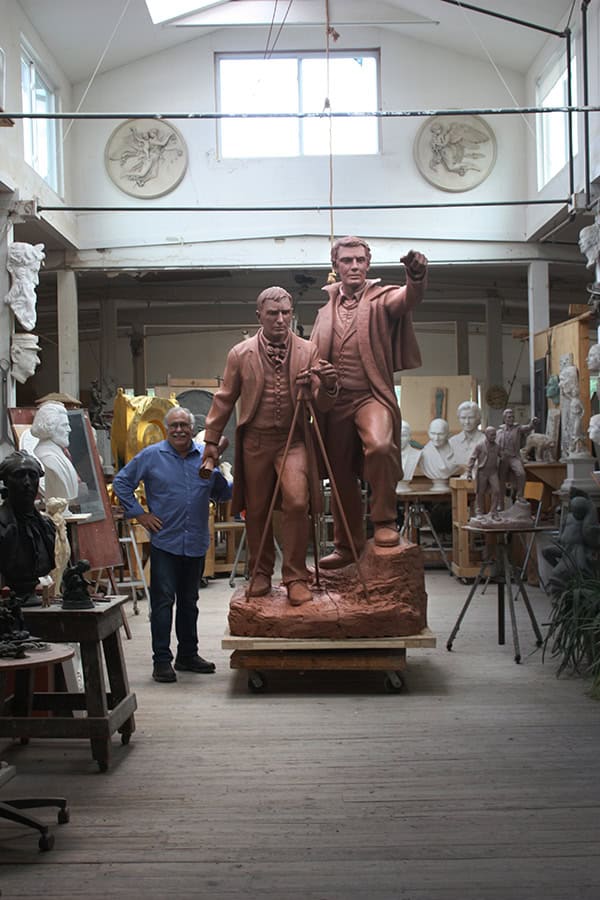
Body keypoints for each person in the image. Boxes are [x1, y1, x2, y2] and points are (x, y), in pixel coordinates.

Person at [200, 286, 338, 605]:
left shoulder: (308, 350)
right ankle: (260, 571)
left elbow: (324, 405)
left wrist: (328, 386)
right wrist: (210, 441)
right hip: (256, 442)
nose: (280, 319)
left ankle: (295, 576)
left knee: (297, 501)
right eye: (273, 313)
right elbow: (223, 400)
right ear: (259, 315)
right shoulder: (240, 354)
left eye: (286, 313)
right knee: (257, 508)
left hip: (294, 441)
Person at [310, 236, 428, 567]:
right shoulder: (325, 310)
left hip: (369, 396)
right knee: (340, 472)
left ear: (368, 264)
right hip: (333, 402)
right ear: (335, 266)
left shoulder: (380, 298)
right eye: (347, 260)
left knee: (379, 447)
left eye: (361, 260)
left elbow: (407, 300)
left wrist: (415, 277)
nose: (355, 266)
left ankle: (385, 521)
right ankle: (346, 545)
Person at [113, 406, 232, 683]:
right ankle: (162, 661)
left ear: (192, 428)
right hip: (165, 542)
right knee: (163, 603)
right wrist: (140, 514)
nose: (179, 430)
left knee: (189, 603)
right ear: (167, 429)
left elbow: (223, 495)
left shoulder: (204, 456)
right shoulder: (152, 456)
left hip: (195, 542)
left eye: (184, 425)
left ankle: (188, 655)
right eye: (174, 425)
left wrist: (219, 469)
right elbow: (121, 482)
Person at [0, 451, 55, 609]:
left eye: (32, 475)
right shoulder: (2, 525)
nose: (27, 482)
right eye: (19, 475)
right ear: (5, 481)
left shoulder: (48, 527)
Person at [30, 401, 79, 503]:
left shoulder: (58, 455)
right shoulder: (46, 457)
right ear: (50, 428)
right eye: (64, 425)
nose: (69, 429)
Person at [496, 407, 538, 500]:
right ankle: (500, 500)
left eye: (512, 417)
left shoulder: (518, 428)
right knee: (501, 478)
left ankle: (520, 496)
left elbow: (528, 428)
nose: (511, 419)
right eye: (509, 417)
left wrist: (533, 423)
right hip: (504, 458)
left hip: (514, 457)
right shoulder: (499, 431)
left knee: (521, 474)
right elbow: (496, 446)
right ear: (504, 419)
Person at [4, 241, 45, 332]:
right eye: (33, 271)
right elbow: (11, 296)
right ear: (19, 270)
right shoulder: (22, 285)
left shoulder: (24, 289)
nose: (36, 281)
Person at [466, 426, 502, 520]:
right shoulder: (480, 446)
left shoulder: (497, 446)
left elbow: (503, 457)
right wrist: (469, 472)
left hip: (493, 472)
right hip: (482, 472)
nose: (494, 437)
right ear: (486, 435)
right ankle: (479, 512)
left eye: (495, 435)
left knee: (497, 491)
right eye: (491, 435)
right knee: (480, 492)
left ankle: (494, 512)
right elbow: (472, 458)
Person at [420, 418, 461, 489]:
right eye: (433, 433)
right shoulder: (424, 454)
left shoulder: (457, 453)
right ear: (428, 432)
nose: (436, 438)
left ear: (448, 434)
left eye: (441, 434)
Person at [449, 400, 484, 467]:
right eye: (463, 418)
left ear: (478, 418)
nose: (467, 422)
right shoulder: (452, 442)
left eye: (471, 418)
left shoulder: (486, 441)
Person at [397, 421, 421, 491]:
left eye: (403, 435)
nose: (399, 439)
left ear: (409, 436)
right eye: (396, 435)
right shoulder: (387, 456)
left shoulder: (416, 454)